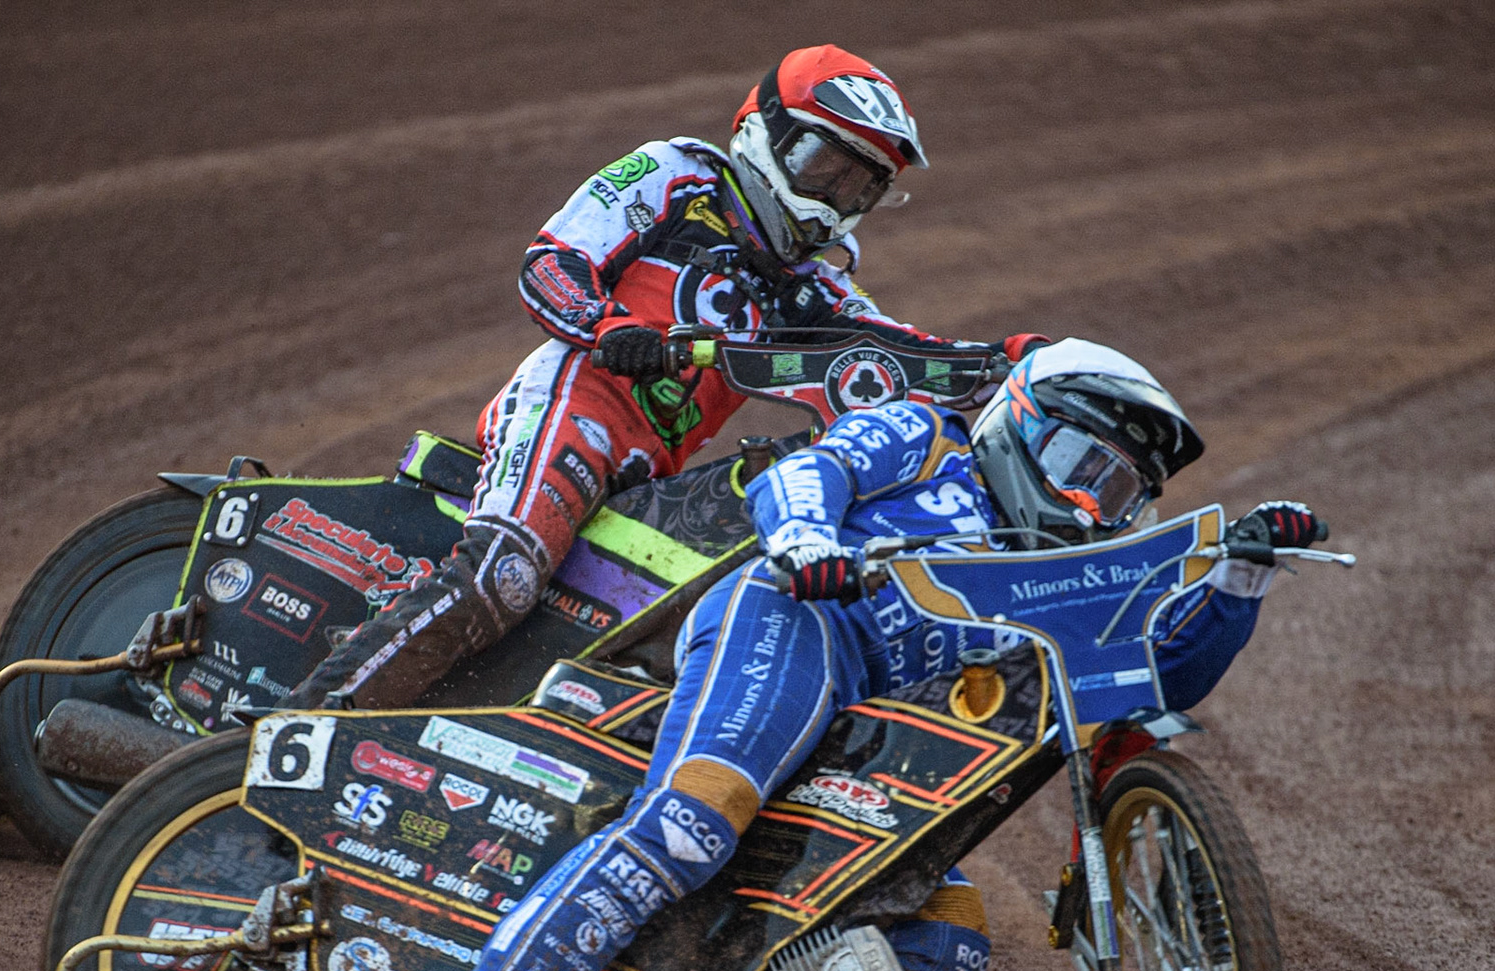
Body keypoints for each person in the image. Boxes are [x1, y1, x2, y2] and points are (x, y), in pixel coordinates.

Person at [421, 339, 1328, 971]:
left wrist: (1240, 577)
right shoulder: (927, 434)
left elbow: (1155, 677)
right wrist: (809, 541)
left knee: (949, 944)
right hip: (795, 623)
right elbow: (807, 473)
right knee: (697, 818)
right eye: (1078, 464)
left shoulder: (1057, 576)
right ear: (1018, 422)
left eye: (1120, 492)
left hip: (865, 739)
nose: (1091, 506)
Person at [279, 45, 1046, 712]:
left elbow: (901, 361)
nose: (834, 200)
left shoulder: (816, 290)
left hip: (651, 480)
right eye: (825, 167)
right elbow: (551, 264)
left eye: (858, 186)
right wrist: (614, 331)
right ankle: (297, 724)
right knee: (504, 576)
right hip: (577, 405)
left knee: (654, 644)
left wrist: (1010, 363)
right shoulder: (678, 175)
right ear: (763, 132)